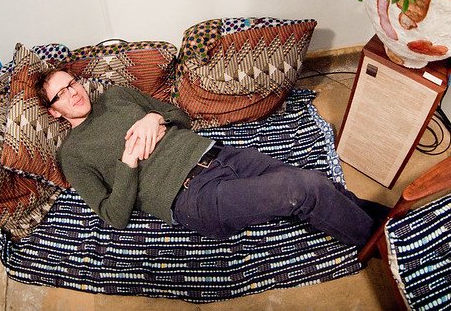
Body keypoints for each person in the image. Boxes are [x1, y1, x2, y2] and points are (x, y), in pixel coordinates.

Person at [36, 67, 389, 246]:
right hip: (192, 196)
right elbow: (113, 216)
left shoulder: (116, 96)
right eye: (61, 94)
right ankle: (382, 243)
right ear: (54, 111)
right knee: (303, 189)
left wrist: (153, 117)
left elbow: (180, 116)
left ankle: (393, 221)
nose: (73, 93)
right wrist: (128, 162)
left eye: (72, 83)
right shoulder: (73, 153)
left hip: (217, 155)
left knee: (318, 182)